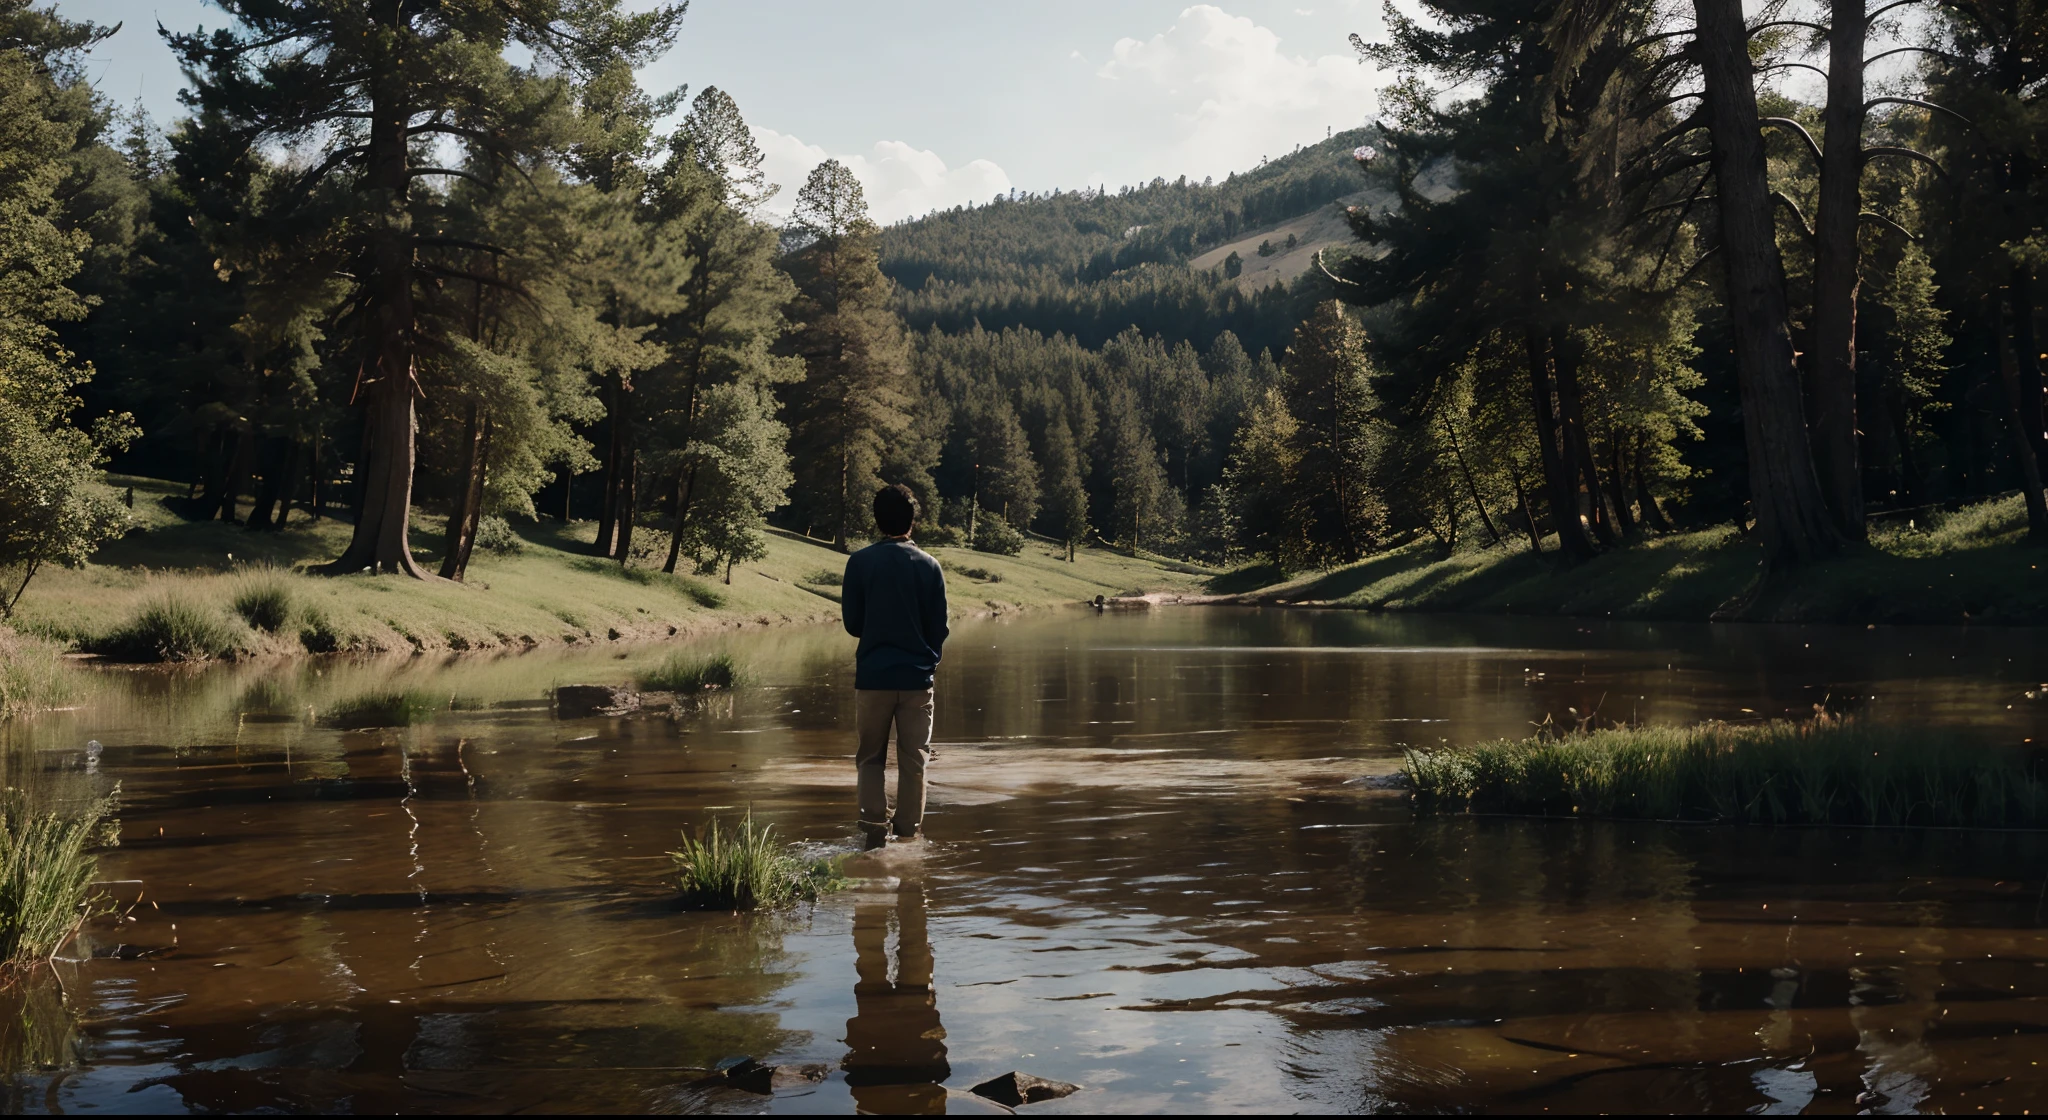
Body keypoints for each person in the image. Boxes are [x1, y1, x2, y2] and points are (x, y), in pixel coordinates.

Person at [841, 484, 949, 847]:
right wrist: (927, 663)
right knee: (914, 760)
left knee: (870, 757)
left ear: (876, 520)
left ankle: (873, 834)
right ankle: (908, 835)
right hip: (917, 680)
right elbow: (940, 629)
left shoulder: (859, 562)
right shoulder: (931, 566)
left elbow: (853, 625)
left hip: (873, 677)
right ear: (912, 521)